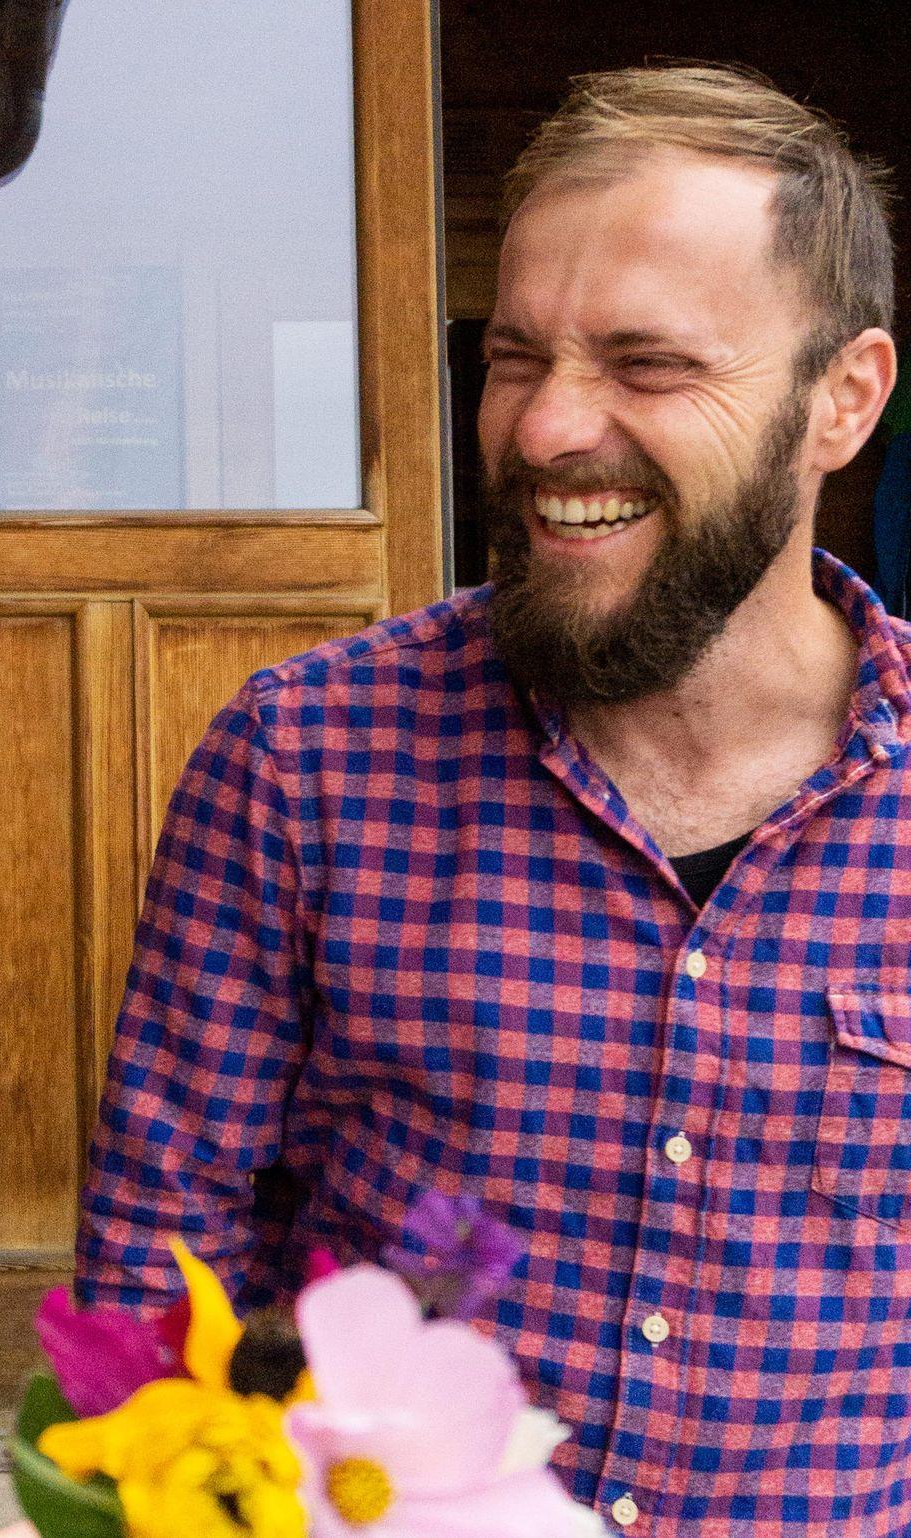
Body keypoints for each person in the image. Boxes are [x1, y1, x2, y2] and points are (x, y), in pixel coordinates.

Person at [78, 64, 903, 1535]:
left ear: (842, 399)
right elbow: (160, 1277)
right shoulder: (307, 761)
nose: (542, 429)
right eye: (515, 357)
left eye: (648, 364)